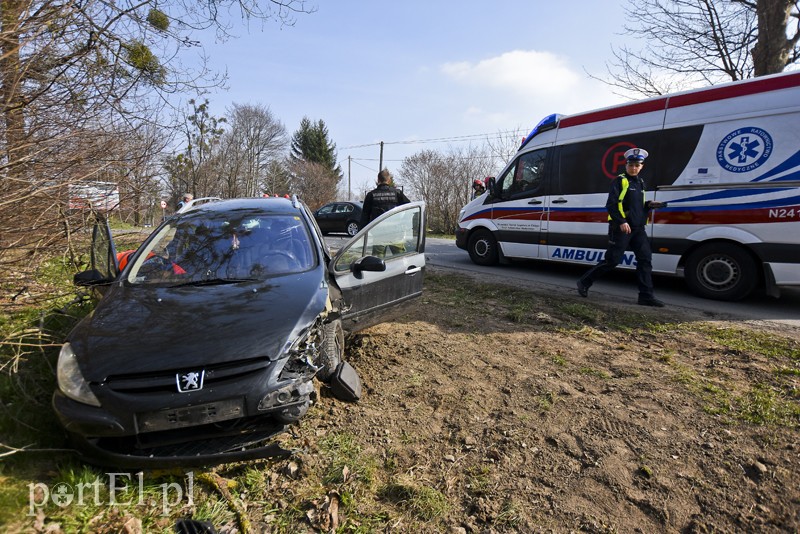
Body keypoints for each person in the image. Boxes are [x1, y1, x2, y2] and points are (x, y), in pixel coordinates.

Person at [576, 147, 668, 307]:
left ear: (641, 166)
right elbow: (612, 204)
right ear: (626, 165)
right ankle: (584, 282)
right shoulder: (620, 181)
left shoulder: (640, 182)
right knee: (612, 261)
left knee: (645, 260)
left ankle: (646, 296)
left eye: (637, 165)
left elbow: (635, 205)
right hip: (621, 228)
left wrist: (649, 205)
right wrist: (621, 221)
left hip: (638, 228)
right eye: (631, 165)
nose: (633, 168)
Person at [361, 168, 411, 257]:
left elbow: (365, 215)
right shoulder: (397, 193)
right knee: (401, 259)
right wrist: (405, 223)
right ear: (389, 180)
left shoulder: (371, 195)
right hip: (396, 233)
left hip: (379, 233)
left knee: (377, 261)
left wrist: (362, 233)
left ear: (378, 180)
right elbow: (409, 208)